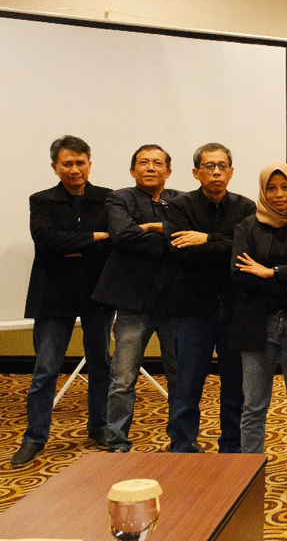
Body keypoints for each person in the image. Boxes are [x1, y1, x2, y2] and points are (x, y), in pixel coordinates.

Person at [12, 135, 114, 466]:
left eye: (80, 163)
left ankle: (99, 426)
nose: (74, 169)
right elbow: (46, 242)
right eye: (66, 163)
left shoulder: (108, 199)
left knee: (101, 364)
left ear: (89, 164)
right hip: (53, 295)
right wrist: (93, 238)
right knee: (45, 369)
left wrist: (73, 245)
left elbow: (113, 243)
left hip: (97, 294)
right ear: (55, 167)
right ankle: (34, 436)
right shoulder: (41, 200)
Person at [165, 143, 255, 453]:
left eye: (222, 166)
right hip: (194, 308)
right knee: (187, 384)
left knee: (235, 385)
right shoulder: (179, 207)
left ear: (231, 171)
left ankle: (232, 447)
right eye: (209, 166)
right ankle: (183, 445)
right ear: (196, 172)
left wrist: (206, 239)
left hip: (235, 308)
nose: (216, 172)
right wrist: (226, 245)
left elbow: (247, 254)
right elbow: (181, 252)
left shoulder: (246, 208)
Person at [92, 144, 182, 452]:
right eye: (143, 162)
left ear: (168, 171)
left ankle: (181, 440)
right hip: (133, 303)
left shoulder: (181, 201)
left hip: (174, 303)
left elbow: (192, 236)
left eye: (157, 163)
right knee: (122, 379)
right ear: (133, 170)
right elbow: (122, 234)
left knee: (179, 378)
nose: (150, 168)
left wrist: (154, 228)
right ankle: (118, 441)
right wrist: (168, 239)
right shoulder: (120, 198)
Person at [230, 163, 287, 477]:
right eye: (271, 188)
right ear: (263, 191)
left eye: (285, 187)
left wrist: (268, 273)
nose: (279, 194)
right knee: (253, 404)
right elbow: (240, 274)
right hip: (257, 324)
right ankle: (250, 469)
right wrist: (286, 284)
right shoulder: (247, 226)